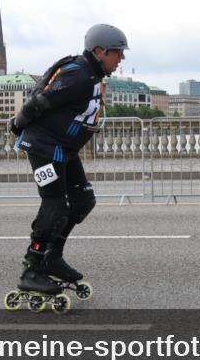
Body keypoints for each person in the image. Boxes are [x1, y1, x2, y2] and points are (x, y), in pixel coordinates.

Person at [8, 23, 128, 294]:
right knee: (55, 206)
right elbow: (40, 102)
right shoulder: (77, 74)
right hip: (44, 147)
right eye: (117, 52)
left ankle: (52, 257)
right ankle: (32, 269)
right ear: (99, 51)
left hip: (63, 149)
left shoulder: (93, 75)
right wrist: (18, 124)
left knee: (83, 200)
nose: (121, 58)